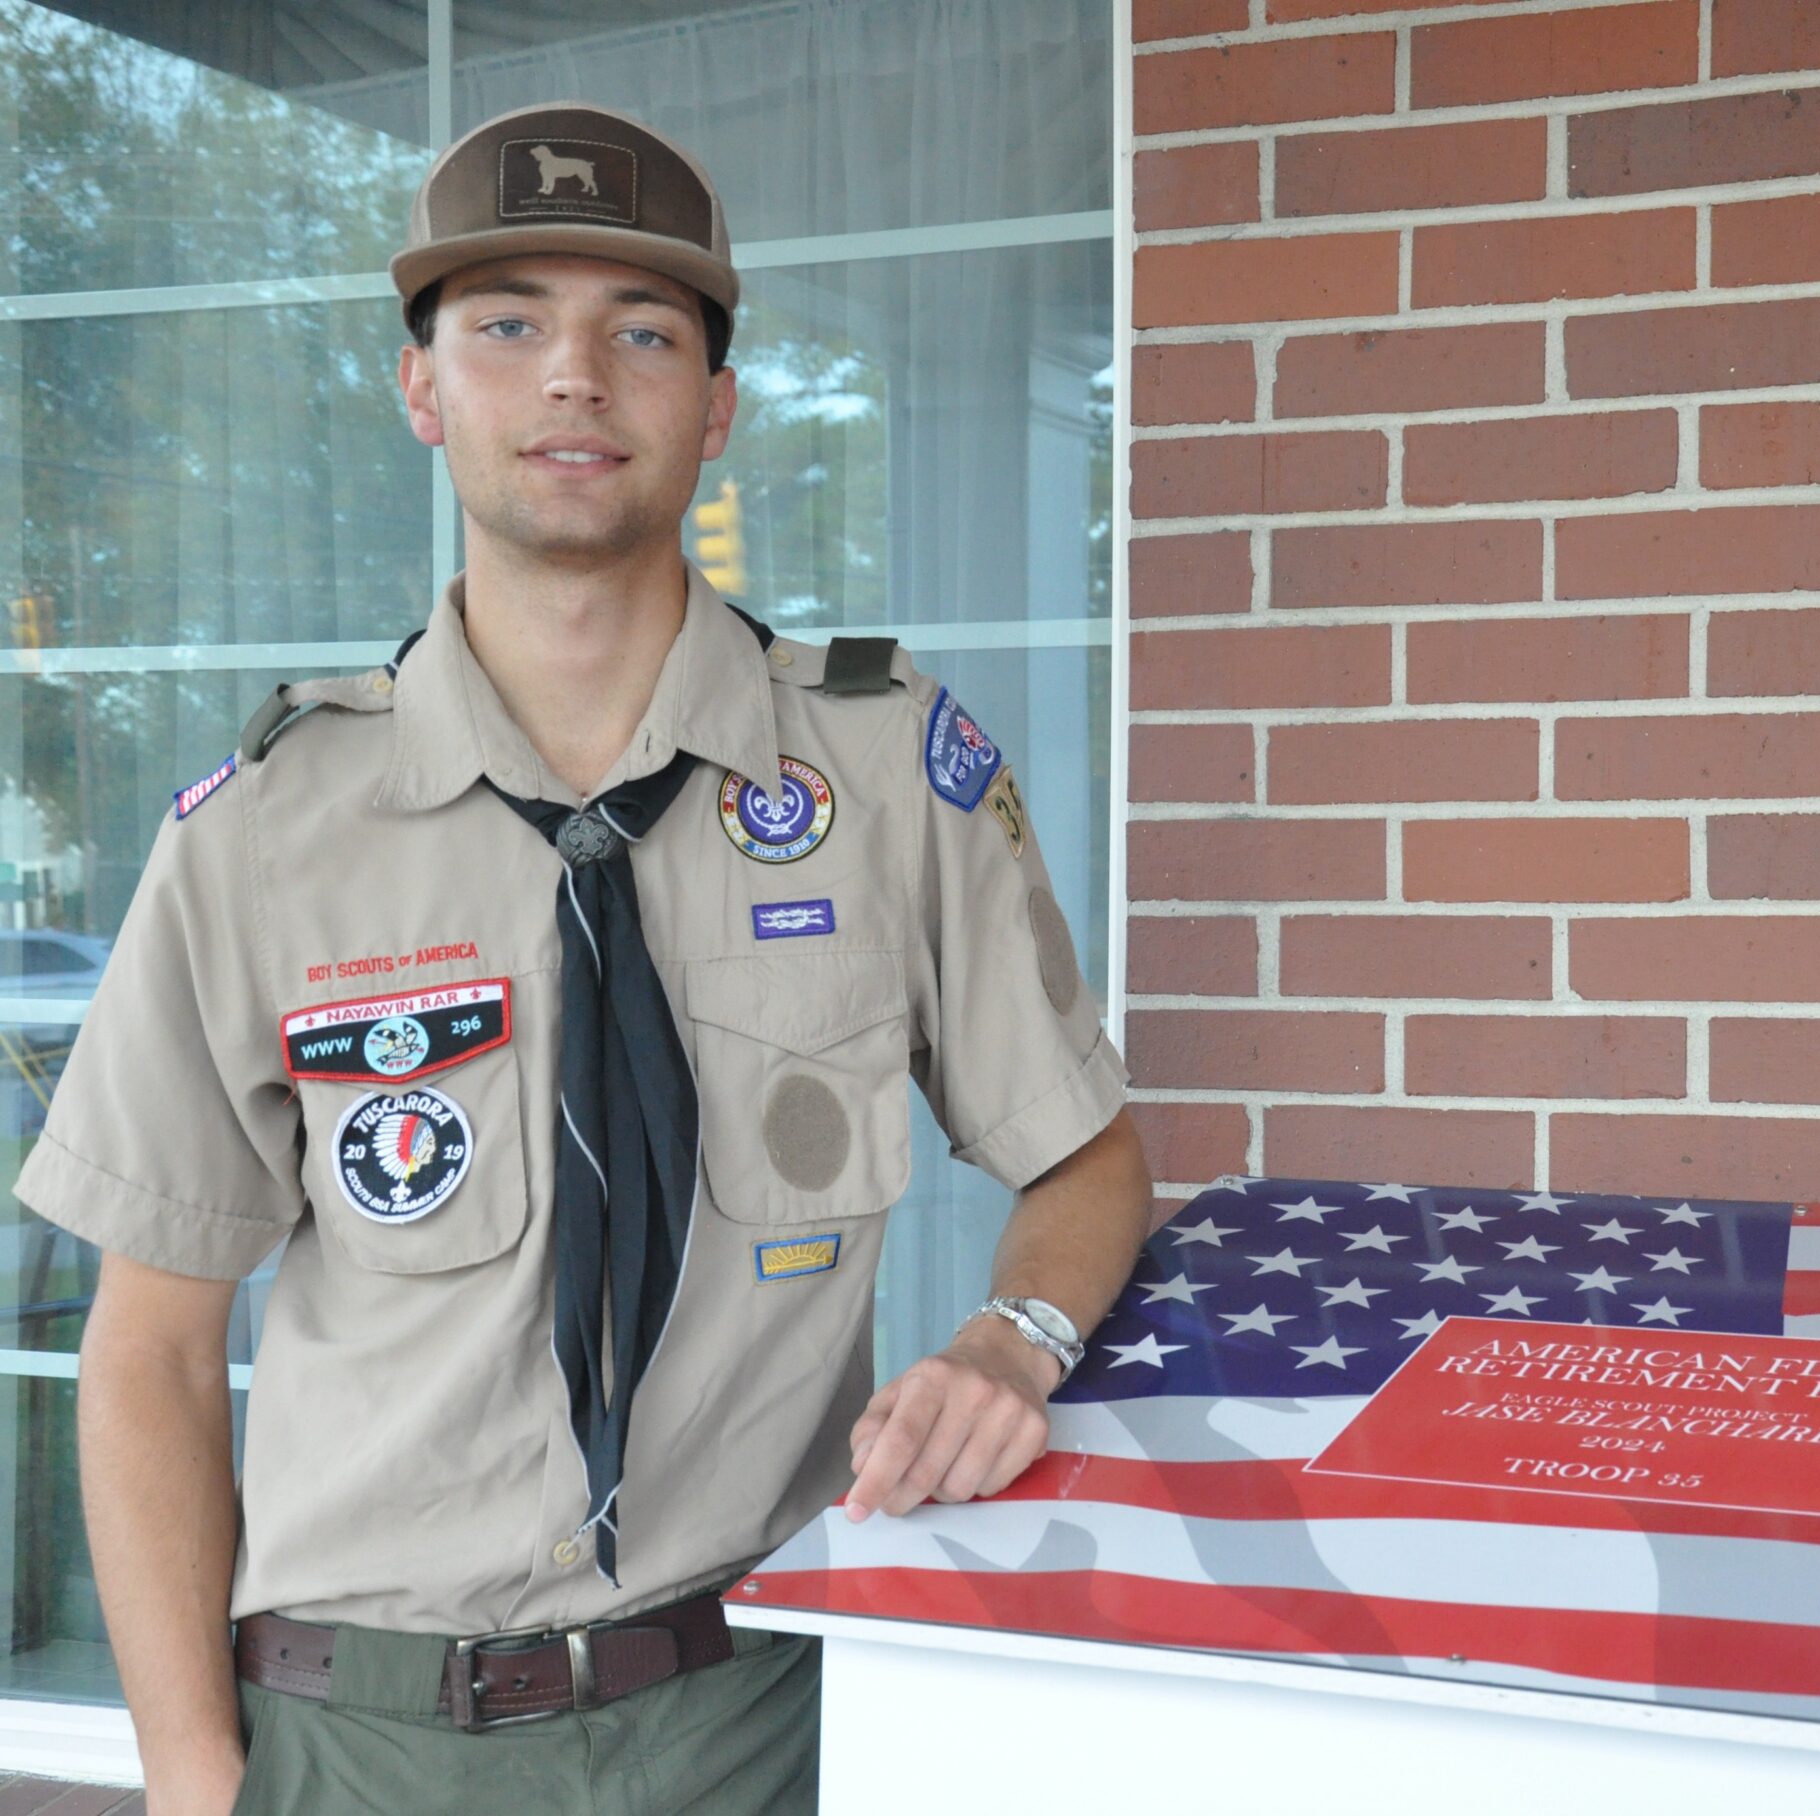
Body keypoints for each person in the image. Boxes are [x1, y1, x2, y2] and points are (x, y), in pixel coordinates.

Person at [13, 101, 1150, 1814]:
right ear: (422, 390)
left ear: (718, 405)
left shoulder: (882, 776)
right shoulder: (260, 832)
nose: (573, 377)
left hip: (760, 1711)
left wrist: (1014, 1337)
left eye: (642, 329)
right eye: (507, 324)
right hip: (360, 1734)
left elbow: (1087, 1156)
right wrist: (192, 1777)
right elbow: (153, 1349)